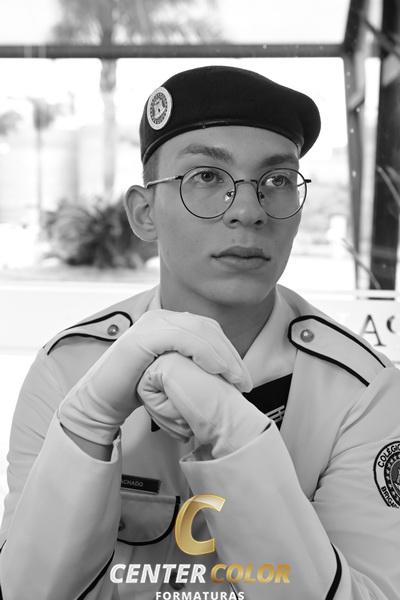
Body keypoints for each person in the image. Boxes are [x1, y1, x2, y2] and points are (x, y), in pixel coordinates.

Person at [0, 65, 399, 600]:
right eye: (207, 177)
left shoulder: (361, 392)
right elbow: (25, 591)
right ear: (145, 213)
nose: (249, 211)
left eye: (277, 181)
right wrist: (87, 425)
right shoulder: (69, 369)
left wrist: (240, 443)